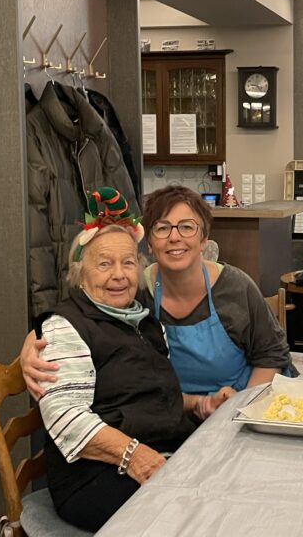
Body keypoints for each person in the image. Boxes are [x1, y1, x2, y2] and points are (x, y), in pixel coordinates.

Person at [32, 189, 215, 532]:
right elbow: (66, 418)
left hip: (160, 454)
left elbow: (145, 396)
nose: (119, 274)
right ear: (80, 276)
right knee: (196, 519)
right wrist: (135, 456)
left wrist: (199, 404)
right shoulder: (66, 328)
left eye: (128, 262)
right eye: (104, 264)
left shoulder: (143, 319)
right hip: (94, 476)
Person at [23, 185, 292, 401]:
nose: (175, 237)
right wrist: (32, 342)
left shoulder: (236, 288)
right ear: (149, 244)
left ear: (204, 241)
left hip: (236, 408)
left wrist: (239, 410)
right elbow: (81, 312)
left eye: (187, 227)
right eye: (162, 228)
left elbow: (271, 356)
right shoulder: (135, 288)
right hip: (174, 416)